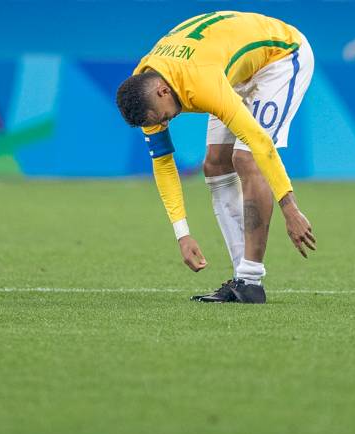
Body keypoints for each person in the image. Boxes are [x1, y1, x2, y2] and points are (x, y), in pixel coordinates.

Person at [116, 11, 317, 304]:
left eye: (164, 117)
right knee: (214, 164)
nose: (165, 123)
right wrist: (182, 235)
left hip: (280, 58)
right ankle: (243, 281)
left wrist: (289, 207)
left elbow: (260, 143)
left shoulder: (201, 83)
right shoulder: (144, 88)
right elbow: (162, 164)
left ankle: (251, 277)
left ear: (162, 91)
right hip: (228, 68)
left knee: (246, 158)